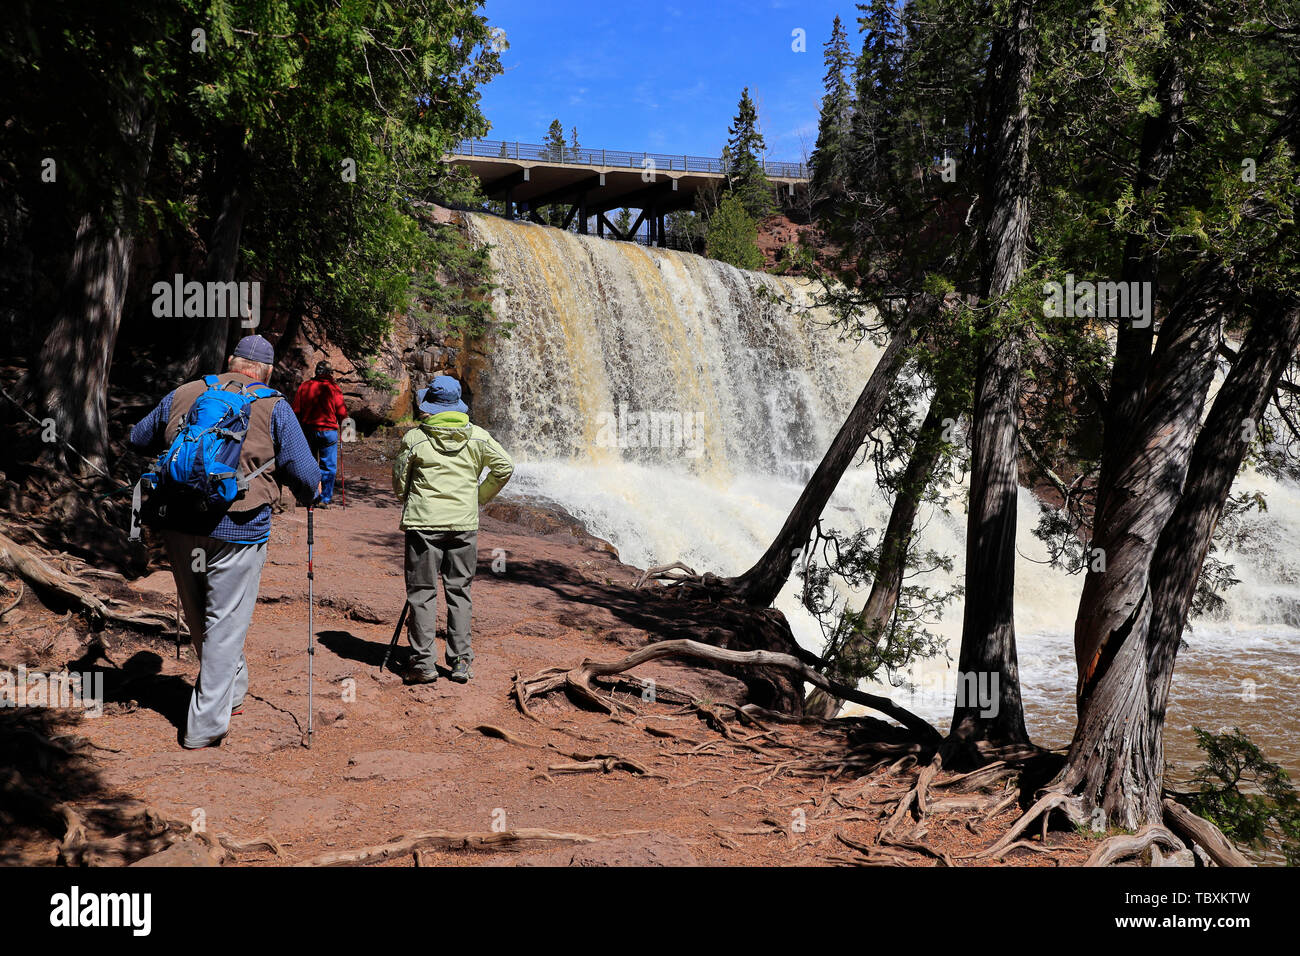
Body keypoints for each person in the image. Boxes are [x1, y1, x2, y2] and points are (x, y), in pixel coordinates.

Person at [129, 334, 321, 748]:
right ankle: (205, 726)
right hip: (240, 527)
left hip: (181, 528)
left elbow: (138, 438)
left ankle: (232, 691)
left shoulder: (187, 392)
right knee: (225, 624)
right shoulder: (274, 406)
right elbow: (305, 475)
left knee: (200, 617)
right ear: (266, 372)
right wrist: (310, 493)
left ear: (231, 360)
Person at [391, 375, 513, 684]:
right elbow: (505, 467)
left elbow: (399, 483)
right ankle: (460, 661)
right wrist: (478, 497)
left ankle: (422, 663)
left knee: (422, 592)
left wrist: (410, 497)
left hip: (423, 525)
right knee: (460, 591)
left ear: (430, 405)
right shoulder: (478, 437)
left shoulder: (415, 439)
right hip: (463, 525)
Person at [291, 360, 349, 506]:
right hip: (329, 432)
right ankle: (324, 499)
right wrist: (347, 430)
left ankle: (307, 496)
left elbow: (296, 410)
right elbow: (342, 413)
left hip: (309, 430)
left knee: (307, 464)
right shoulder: (334, 388)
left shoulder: (305, 386)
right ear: (329, 373)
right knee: (328, 467)